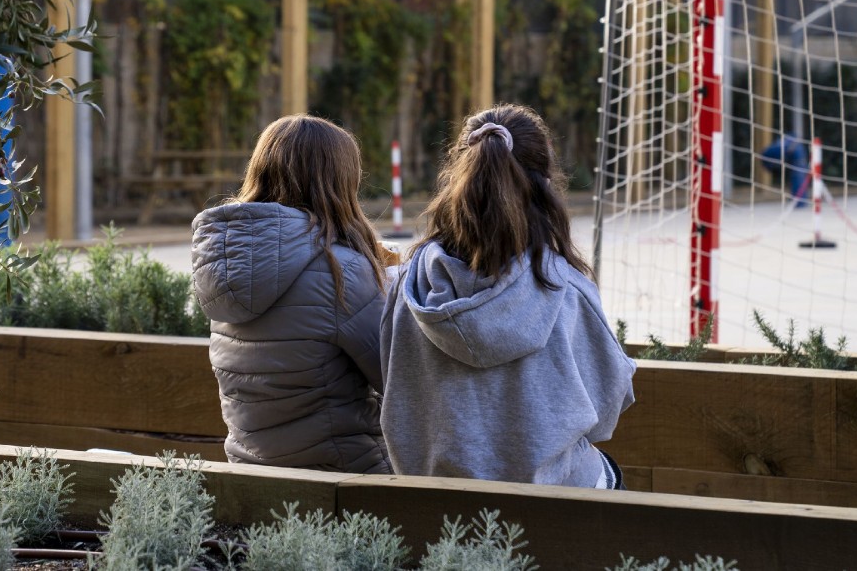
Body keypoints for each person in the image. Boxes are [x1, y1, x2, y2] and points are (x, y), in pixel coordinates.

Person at [378, 104, 635, 489]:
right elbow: (608, 409)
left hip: (433, 502)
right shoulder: (564, 287)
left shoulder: (408, 286)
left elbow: (390, 387)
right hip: (549, 500)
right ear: (544, 185)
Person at [190, 115, 399, 473]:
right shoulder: (342, 272)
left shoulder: (227, 263)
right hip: (343, 476)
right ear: (337, 183)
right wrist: (391, 284)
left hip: (251, 469)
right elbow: (399, 379)